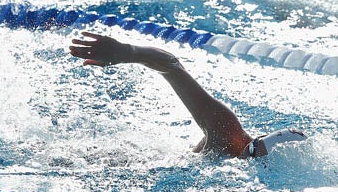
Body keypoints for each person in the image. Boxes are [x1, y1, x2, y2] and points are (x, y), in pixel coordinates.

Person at [69, 31, 306, 158]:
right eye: (253, 153)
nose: (251, 161)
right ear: (253, 143)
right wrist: (129, 52)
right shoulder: (227, 132)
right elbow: (172, 65)